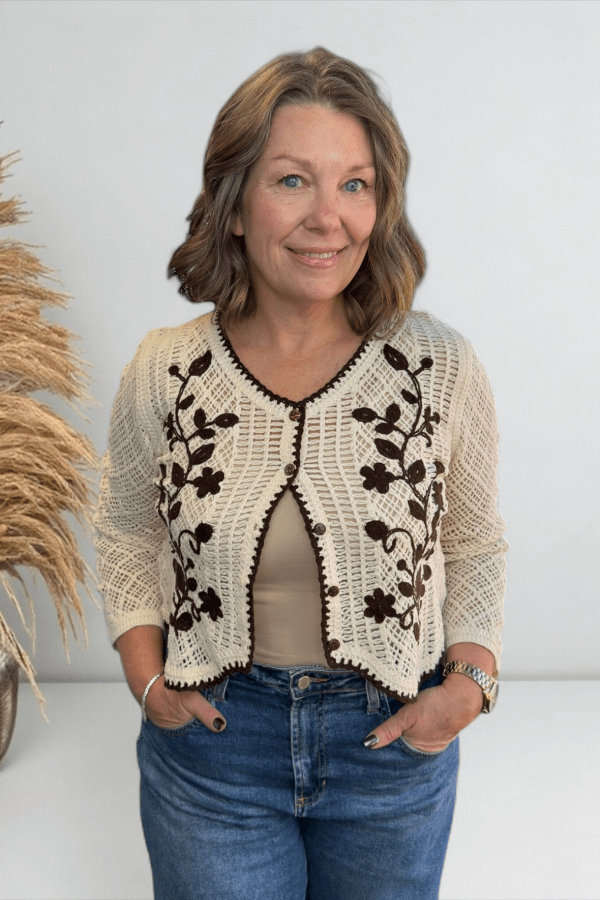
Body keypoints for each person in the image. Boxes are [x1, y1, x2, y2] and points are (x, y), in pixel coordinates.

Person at [94, 47, 507, 900]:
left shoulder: (438, 367)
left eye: (355, 184)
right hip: (213, 749)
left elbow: (473, 541)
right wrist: (147, 678)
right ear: (234, 204)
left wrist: (469, 685)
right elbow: (126, 529)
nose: (329, 217)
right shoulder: (166, 369)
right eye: (292, 181)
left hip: (392, 744)